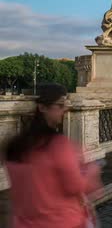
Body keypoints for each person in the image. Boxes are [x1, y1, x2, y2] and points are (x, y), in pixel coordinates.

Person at [1, 83, 103, 228]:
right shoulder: (59, 145)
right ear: (42, 107)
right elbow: (76, 186)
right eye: (60, 105)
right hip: (62, 222)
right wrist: (93, 171)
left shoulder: (13, 146)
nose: (65, 109)